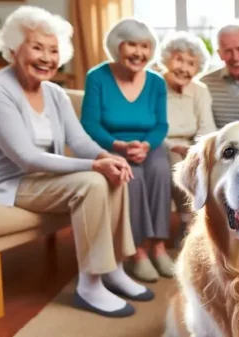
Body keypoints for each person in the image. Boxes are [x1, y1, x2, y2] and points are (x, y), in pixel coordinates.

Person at [0, 6, 154, 318]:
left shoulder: (55, 93)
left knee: (114, 171)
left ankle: (114, 268)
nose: (46, 58)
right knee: (94, 179)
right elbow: (25, 157)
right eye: (36, 47)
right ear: (14, 48)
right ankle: (90, 285)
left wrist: (108, 157)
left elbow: (78, 141)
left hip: (37, 181)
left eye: (53, 50)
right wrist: (94, 166)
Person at [80, 18, 173, 283]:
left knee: (160, 169)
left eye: (144, 46)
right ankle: (137, 252)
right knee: (131, 176)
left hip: (147, 144)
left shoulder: (156, 82)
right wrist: (118, 146)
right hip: (110, 144)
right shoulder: (97, 77)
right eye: (131, 44)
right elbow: (90, 124)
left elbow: (160, 124)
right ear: (117, 47)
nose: (139, 53)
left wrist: (146, 145)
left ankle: (158, 246)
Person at [159, 30, 216, 241]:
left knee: (200, 162)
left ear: (198, 67)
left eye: (191, 63)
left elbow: (207, 127)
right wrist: (170, 145)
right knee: (177, 162)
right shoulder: (156, 85)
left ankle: (199, 222)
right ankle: (186, 222)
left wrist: (194, 149)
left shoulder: (200, 90)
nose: (184, 68)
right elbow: (150, 125)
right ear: (166, 59)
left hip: (191, 145)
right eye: (178, 60)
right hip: (161, 144)